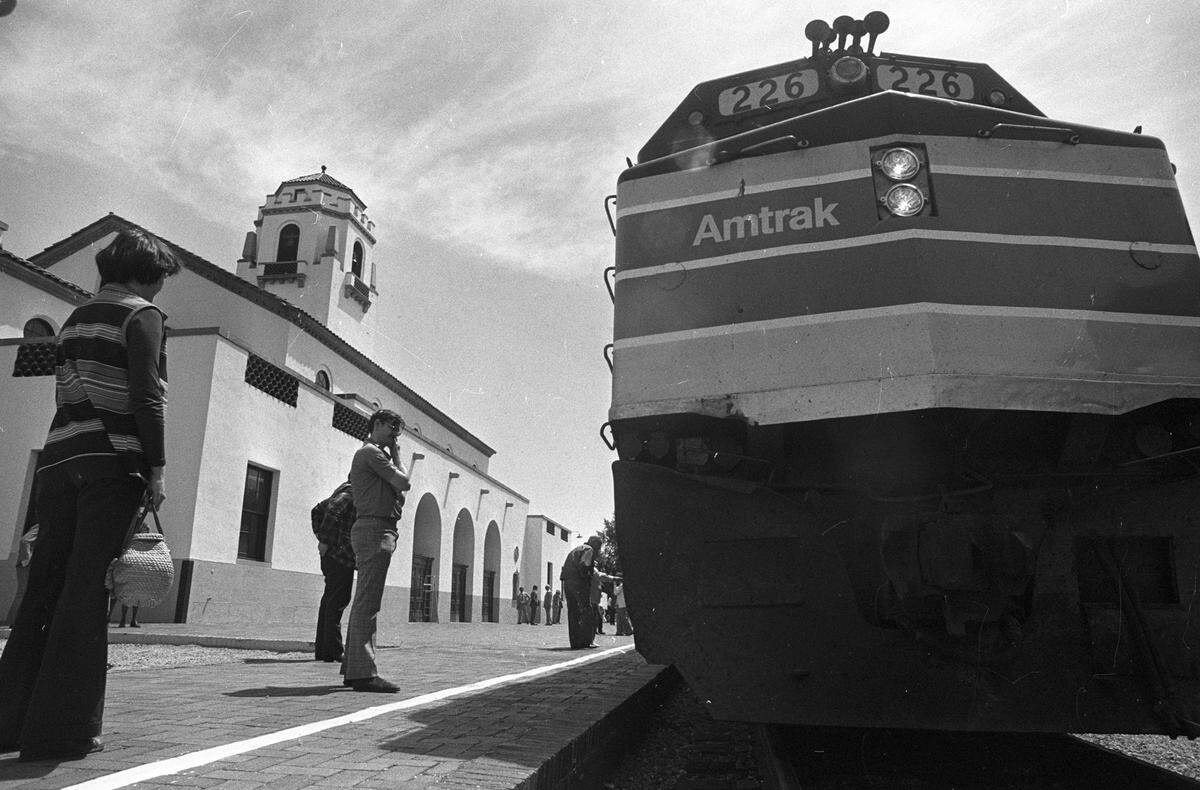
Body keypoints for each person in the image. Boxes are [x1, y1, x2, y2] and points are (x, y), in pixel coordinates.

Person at [0, 228, 180, 762]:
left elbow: (69, 388)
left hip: (59, 462)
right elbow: (147, 397)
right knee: (86, 594)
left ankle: (10, 719)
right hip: (111, 466)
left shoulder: (77, 317)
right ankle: (66, 730)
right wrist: (158, 468)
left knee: (44, 589)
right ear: (147, 273)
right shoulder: (141, 316)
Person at [343, 409, 411, 693]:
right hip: (374, 529)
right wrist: (395, 453)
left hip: (378, 529)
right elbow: (404, 482)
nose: (395, 431)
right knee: (368, 603)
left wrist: (394, 451)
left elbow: (401, 488)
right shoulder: (371, 453)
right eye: (392, 425)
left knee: (365, 600)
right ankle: (363, 673)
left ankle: (353, 668)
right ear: (377, 423)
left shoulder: (376, 455)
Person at [312, 480, 356, 663]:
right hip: (339, 556)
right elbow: (331, 511)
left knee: (330, 600)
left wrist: (324, 540)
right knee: (337, 600)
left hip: (336, 555)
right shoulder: (351, 494)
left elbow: (318, 510)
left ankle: (324, 650)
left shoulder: (346, 491)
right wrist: (325, 540)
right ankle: (334, 650)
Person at [561, 536, 604, 648]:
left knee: (573, 612)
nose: (599, 550)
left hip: (567, 581)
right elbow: (584, 566)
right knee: (588, 612)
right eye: (599, 547)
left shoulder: (578, 548)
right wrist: (587, 581)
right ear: (595, 544)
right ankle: (586, 641)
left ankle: (575, 643)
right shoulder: (589, 549)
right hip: (578, 582)